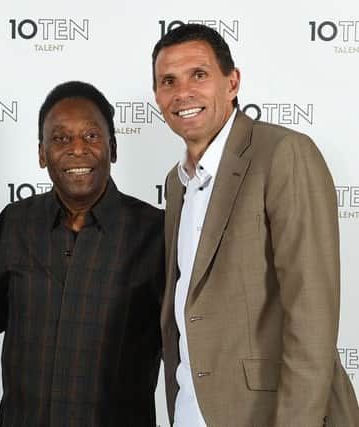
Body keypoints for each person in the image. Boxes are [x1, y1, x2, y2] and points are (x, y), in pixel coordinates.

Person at [152, 23, 359, 426]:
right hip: (192, 413)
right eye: (168, 81)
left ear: (232, 82)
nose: (183, 93)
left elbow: (311, 315)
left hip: (267, 415)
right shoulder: (175, 184)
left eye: (199, 75)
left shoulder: (283, 154)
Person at [0, 81, 164, 426]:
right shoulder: (16, 224)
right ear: (42, 153)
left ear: (113, 147)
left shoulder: (157, 233)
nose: (77, 149)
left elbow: (191, 348)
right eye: (60, 138)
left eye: (91, 136)